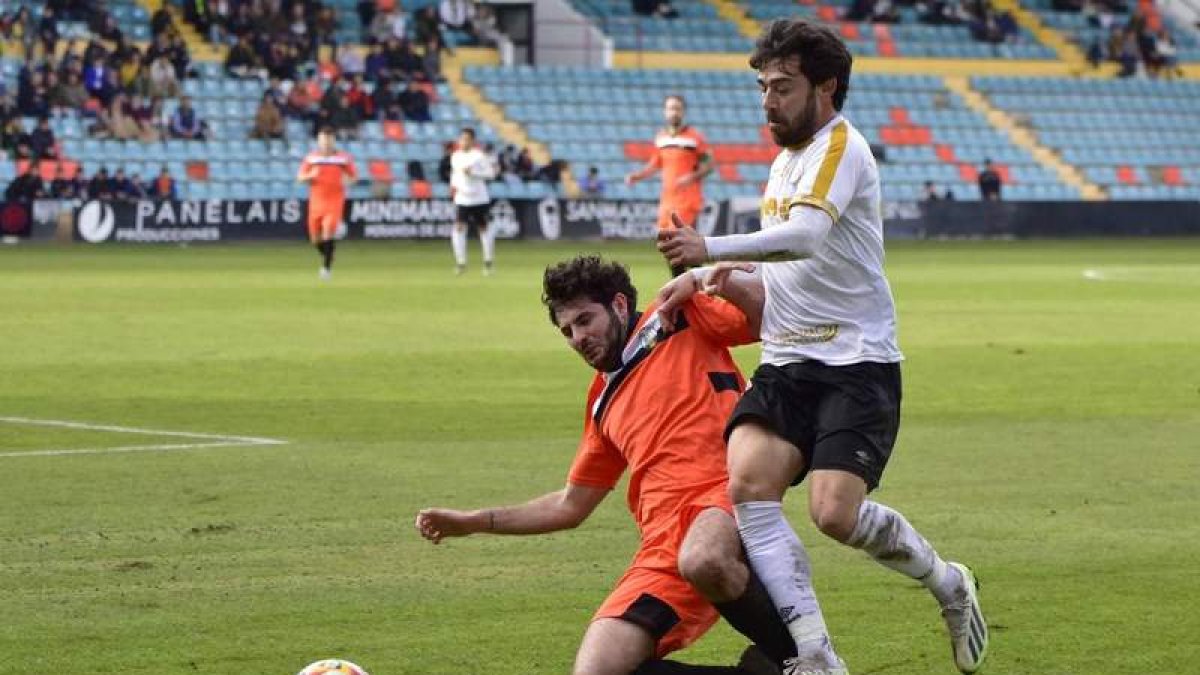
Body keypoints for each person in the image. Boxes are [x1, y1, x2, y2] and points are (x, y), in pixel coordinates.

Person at [655, 18, 988, 675]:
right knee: (749, 486)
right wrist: (705, 279)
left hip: (855, 360)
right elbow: (787, 270)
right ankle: (814, 654)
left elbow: (805, 239)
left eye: (782, 86)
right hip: (786, 360)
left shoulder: (842, 148)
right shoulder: (783, 163)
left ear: (826, 88)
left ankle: (948, 581)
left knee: (834, 513)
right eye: (762, 87)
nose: (768, 101)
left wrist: (709, 249)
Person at [417, 255, 799, 674]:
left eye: (584, 320)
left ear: (619, 305)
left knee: (704, 559)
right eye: (567, 331)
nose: (577, 338)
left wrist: (711, 270)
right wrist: (472, 521)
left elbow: (769, 318)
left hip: (722, 497)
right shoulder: (602, 402)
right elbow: (569, 505)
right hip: (661, 544)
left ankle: (806, 658)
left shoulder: (676, 316)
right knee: (596, 670)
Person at [625, 94, 712, 277]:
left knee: (683, 243)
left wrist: (691, 176)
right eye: (671, 108)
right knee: (668, 244)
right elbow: (655, 164)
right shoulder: (661, 138)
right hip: (668, 200)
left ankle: (701, 283)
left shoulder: (694, 138)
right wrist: (637, 176)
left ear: (683, 112)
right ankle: (683, 284)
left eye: (677, 108)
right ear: (665, 112)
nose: (674, 112)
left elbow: (709, 165)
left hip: (687, 198)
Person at [297, 127, 357, 280]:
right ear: (318, 141)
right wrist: (310, 175)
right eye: (323, 140)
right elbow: (300, 178)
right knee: (315, 239)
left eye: (328, 140)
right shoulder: (311, 158)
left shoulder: (343, 158)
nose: (326, 143)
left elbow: (354, 177)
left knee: (328, 230)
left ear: (333, 141)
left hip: (334, 200)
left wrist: (348, 181)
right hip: (316, 202)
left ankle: (326, 269)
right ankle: (329, 255)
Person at [448, 127, 497, 276]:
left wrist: (474, 173)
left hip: (479, 198)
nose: (463, 141)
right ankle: (461, 262)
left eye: (467, 139)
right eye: (462, 138)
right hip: (462, 197)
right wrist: (454, 188)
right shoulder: (455, 156)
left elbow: (491, 174)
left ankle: (488, 262)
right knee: (459, 228)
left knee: (483, 228)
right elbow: (456, 175)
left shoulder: (479, 156)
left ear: (472, 141)